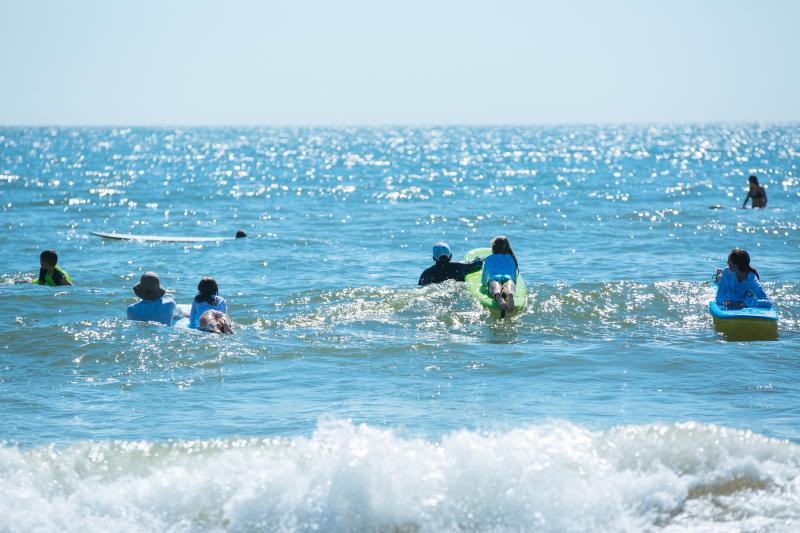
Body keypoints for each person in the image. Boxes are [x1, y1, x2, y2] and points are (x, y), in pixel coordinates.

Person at [481, 236, 519, 314]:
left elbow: (484, 279)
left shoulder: (488, 258)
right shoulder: (511, 258)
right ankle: (510, 294)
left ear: (493, 248)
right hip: (508, 277)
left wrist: (484, 283)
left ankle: (497, 294)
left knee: (494, 283)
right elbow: (514, 278)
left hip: (494, 277)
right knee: (509, 282)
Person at [418, 242, 483, 286]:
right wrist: (480, 257)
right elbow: (478, 263)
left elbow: (419, 288)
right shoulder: (461, 266)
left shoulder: (426, 274)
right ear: (451, 255)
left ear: (433, 258)